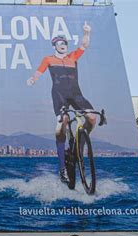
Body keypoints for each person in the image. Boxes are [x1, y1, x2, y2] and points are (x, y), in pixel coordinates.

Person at [27, 21, 97, 183]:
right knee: (62, 122)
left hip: (76, 94)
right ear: (55, 46)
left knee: (92, 118)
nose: (63, 45)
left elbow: (84, 45)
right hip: (59, 95)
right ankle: (62, 168)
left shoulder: (73, 57)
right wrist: (33, 79)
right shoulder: (49, 59)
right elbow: (39, 71)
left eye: (65, 43)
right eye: (60, 43)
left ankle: (80, 143)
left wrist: (86, 32)